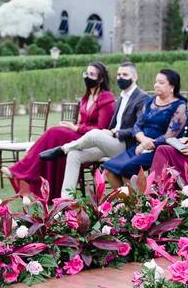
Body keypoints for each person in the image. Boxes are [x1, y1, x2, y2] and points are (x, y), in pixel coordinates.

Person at [4, 63, 115, 199]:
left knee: (54, 132)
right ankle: (40, 185)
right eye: (86, 73)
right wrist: (75, 126)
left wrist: (75, 127)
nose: (87, 77)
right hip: (80, 136)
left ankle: (19, 169)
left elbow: (100, 129)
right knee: (53, 139)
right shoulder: (86, 97)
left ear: (101, 79)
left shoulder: (106, 98)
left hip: (94, 141)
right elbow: (83, 122)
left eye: (92, 74)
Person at [42, 62, 148, 197]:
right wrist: (110, 132)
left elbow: (139, 128)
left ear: (134, 77)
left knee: (95, 134)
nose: (121, 77)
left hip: (126, 145)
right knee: (74, 154)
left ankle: (63, 148)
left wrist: (114, 132)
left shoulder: (142, 98)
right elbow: (114, 123)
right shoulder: (121, 97)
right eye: (119, 74)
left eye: (125, 75)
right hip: (111, 143)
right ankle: (66, 202)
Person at [103, 70, 187, 189]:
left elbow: (170, 136)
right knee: (109, 169)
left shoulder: (179, 105)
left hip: (160, 149)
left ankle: (137, 203)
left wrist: (146, 145)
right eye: (156, 81)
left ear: (172, 86)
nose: (156, 85)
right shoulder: (150, 101)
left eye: (161, 82)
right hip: (141, 145)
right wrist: (142, 141)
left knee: (127, 170)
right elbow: (137, 126)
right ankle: (125, 202)